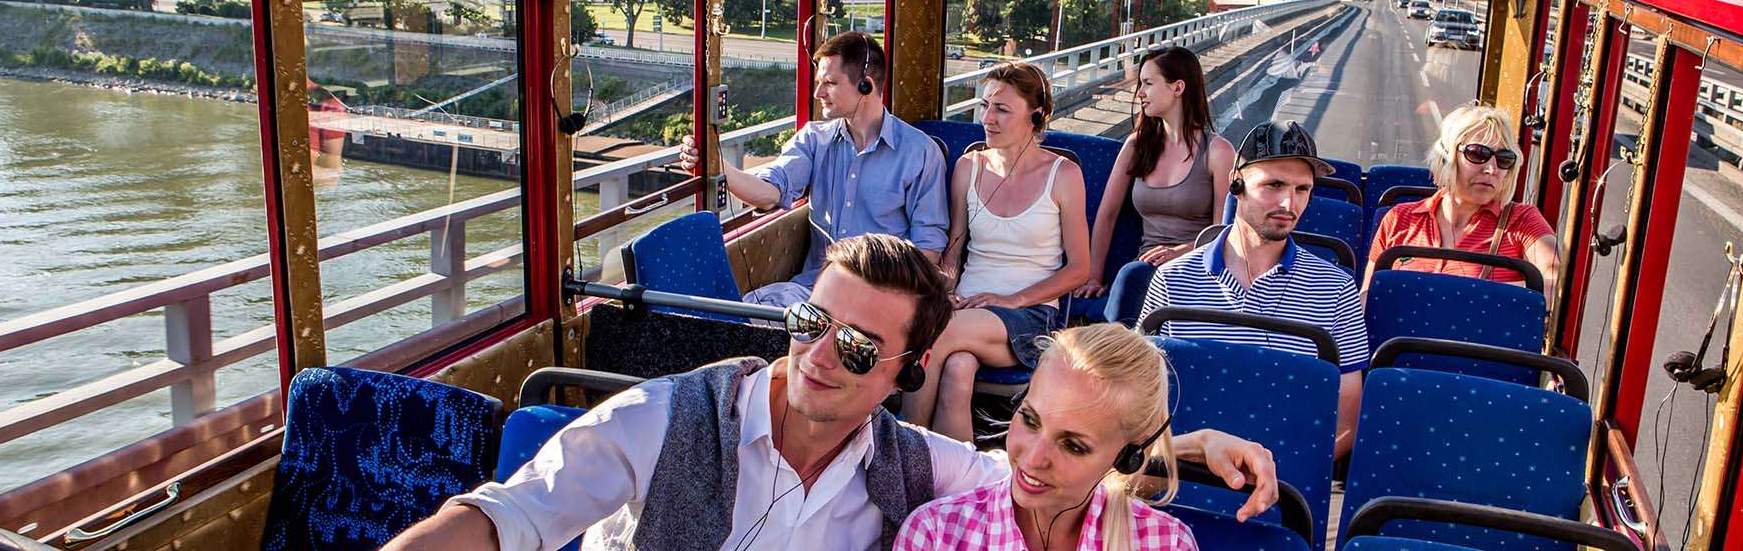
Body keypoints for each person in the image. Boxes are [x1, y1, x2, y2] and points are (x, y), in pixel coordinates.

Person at [383, 235, 1282, 551]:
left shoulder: (918, 470)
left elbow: (1052, 476)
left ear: (905, 375)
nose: (816, 355)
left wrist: (1193, 446)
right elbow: (511, 518)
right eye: (810, 323)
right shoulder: (664, 418)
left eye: (855, 346)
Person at [1140, 120, 1368, 460]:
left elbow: (1346, 414)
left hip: (1284, 484)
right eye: (1274, 185)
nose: (1289, 204)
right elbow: (1141, 398)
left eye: (1302, 189)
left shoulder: (1335, 289)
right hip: (1187, 471)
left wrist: (1283, 472)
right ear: (1237, 182)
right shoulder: (1173, 280)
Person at [680, 31, 949, 308]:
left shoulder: (921, 153)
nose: (818, 93)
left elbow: (928, 249)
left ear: (866, 86)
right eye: (819, 82)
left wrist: (883, 299)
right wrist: (717, 163)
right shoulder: (813, 139)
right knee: (750, 311)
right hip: (816, 288)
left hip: (880, 297)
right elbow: (770, 193)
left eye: (830, 83)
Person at [903, 62, 1090, 442]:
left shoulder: (1063, 175)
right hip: (969, 306)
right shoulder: (968, 167)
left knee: (933, 335)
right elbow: (955, 248)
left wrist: (1012, 299)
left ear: (1036, 116)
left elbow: (1080, 269)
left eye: (1002, 109)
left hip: (1030, 313)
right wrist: (945, 290)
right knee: (957, 371)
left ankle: (901, 452)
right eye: (985, 105)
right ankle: (954, 483)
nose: (987, 118)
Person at [894, 323, 1195, 551]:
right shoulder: (936, 533)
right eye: (1029, 419)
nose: (1033, 459)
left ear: (1128, 456)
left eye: (1073, 446)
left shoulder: (1166, 542)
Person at [1076, 47, 1234, 299]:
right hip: (1145, 267)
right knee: (1132, 278)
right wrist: (1094, 276)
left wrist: (1182, 251)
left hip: (1197, 268)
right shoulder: (1136, 146)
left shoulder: (1218, 151)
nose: (1140, 93)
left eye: (1148, 83)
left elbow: (1222, 232)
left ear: (1178, 88)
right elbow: (1107, 215)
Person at [1364, 103, 1560, 300]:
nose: (1491, 169)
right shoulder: (1400, 219)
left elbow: (1553, 283)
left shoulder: (1522, 222)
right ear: (1446, 158)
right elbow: (1366, 298)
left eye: (1504, 159)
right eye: (1477, 154)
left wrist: (1463, 294)